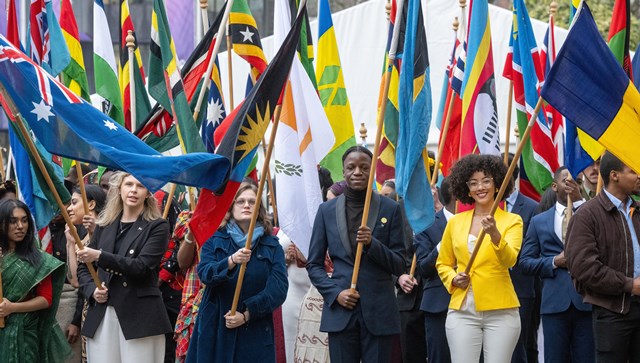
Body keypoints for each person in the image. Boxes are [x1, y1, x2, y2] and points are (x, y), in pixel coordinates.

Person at [307, 146, 406, 363]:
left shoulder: (391, 209)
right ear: (344, 171)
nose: (357, 172)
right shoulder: (326, 211)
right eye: (351, 167)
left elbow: (400, 264)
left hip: (379, 313)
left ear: (372, 171)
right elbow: (313, 265)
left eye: (364, 167)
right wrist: (335, 293)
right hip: (341, 312)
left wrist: (373, 244)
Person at [186, 181, 288, 362]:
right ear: (231, 206)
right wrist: (231, 261)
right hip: (216, 328)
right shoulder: (214, 239)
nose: (247, 205)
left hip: (255, 330)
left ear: (259, 208)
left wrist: (247, 314)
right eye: (241, 201)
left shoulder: (272, 245)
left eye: (252, 201)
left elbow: (278, 289)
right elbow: (205, 274)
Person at [436, 154, 523, 363]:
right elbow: (443, 263)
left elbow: (509, 260)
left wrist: (495, 234)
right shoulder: (455, 222)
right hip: (462, 310)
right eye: (473, 183)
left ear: (497, 183)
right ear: (466, 188)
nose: (480, 187)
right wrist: (453, 279)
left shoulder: (512, 221)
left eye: (486, 180)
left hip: (501, 311)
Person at [77, 172, 172, 363]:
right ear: (119, 189)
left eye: (140, 186)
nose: (134, 190)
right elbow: (84, 268)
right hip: (103, 314)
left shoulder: (158, 226)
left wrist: (100, 256)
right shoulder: (105, 224)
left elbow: (142, 267)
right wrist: (93, 290)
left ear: (148, 193)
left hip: (140, 317)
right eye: (129, 184)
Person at [565, 152, 640, 362]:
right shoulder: (587, 215)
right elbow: (583, 267)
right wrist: (629, 285)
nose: (639, 176)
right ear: (614, 175)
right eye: (633, 171)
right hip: (611, 312)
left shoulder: (638, 210)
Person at [520, 166, 594, 363]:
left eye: (575, 182)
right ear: (554, 186)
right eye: (566, 181)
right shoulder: (539, 221)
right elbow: (525, 262)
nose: (571, 185)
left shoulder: (591, 215)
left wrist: (579, 202)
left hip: (587, 302)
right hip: (554, 304)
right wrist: (554, 262)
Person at [0, 199, 72, 362]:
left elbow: (46, 300)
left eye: (24, 220)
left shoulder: (39, 260)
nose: (20, 226)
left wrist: (12, 308)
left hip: (25, 331)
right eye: (13, 221)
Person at [62, 184, 107, 362]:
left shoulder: (109, 230)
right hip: (89, 308)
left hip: (106, 306)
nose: (69, 208)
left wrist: (98, 233)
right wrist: (71, 243)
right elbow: (75, 281)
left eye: (74, 202)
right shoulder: (82, 236)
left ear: (92, 204)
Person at [502, 152, 540, 363]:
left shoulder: (532, 208)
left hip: (521, 286)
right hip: (491, 286)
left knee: (520, 345)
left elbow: (533, 248)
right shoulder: (487, 208)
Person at [415, 177, 455, 363]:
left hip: (478, 303)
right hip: (440, 305)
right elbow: (423, 267)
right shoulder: (427, 224)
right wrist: (442, 245)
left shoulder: (482, 222)